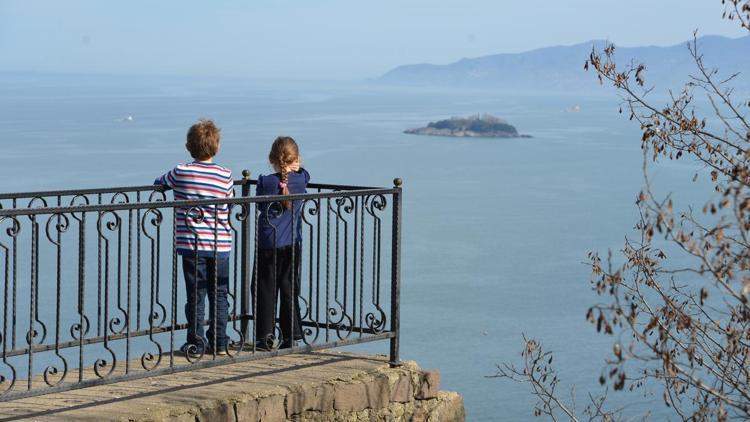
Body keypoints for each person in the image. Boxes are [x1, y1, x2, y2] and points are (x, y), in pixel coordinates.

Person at [154, 118, 234, 356]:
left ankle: (196, 343)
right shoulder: (225, 175)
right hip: (220, 245)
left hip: (191, 244)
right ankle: (220, 341)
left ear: (189, 147)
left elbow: (160, 182)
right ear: (217, 147)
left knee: (195, 294)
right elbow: (229, 201)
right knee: (219, 293)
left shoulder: (181, 172)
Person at [255, 136, 310, 349]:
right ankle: (291, 335)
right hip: (292, 243)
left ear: (271, 158)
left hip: (268, 243)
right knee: (289, 287)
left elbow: (260, 204)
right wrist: (298, 169)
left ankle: (265, 337)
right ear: (296, 159)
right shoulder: (300, 179)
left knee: (265, 288)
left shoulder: (266, 182)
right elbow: (305, 175)